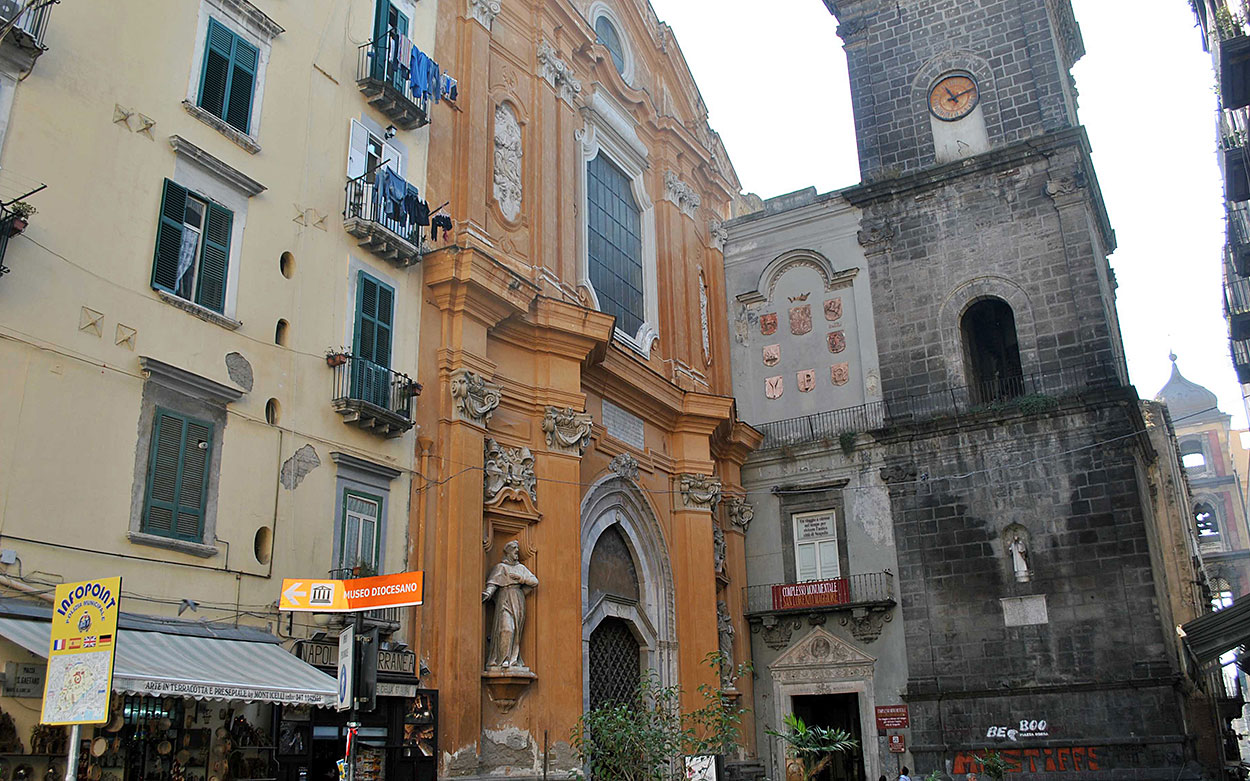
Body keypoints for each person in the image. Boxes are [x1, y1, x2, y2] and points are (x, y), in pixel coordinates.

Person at [482, 540, 539, 669]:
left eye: (517, 551)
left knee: (516, 631)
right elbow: (493, 583)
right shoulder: (501, 567)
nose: (516, 553)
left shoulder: (520, 568)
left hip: (518, 600)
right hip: (504, 598)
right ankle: (502, 659)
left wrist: (521, 579)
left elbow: (534, 582)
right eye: (514, 551)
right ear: (508, 552)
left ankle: (513, 659)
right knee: (507, 629)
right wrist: (488, 593)